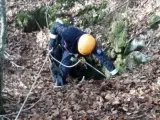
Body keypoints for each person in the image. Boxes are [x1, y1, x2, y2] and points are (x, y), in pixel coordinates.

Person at [48, 18, 119, 87]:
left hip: (70, 49)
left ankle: (60, 82)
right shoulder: (68, 32)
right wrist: (51, 45)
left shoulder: (91, 43)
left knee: (66, 64)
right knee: (56, 58)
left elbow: (103, 58)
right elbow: (55, 26)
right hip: (61, 42)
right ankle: (58, 82)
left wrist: (115, 74)